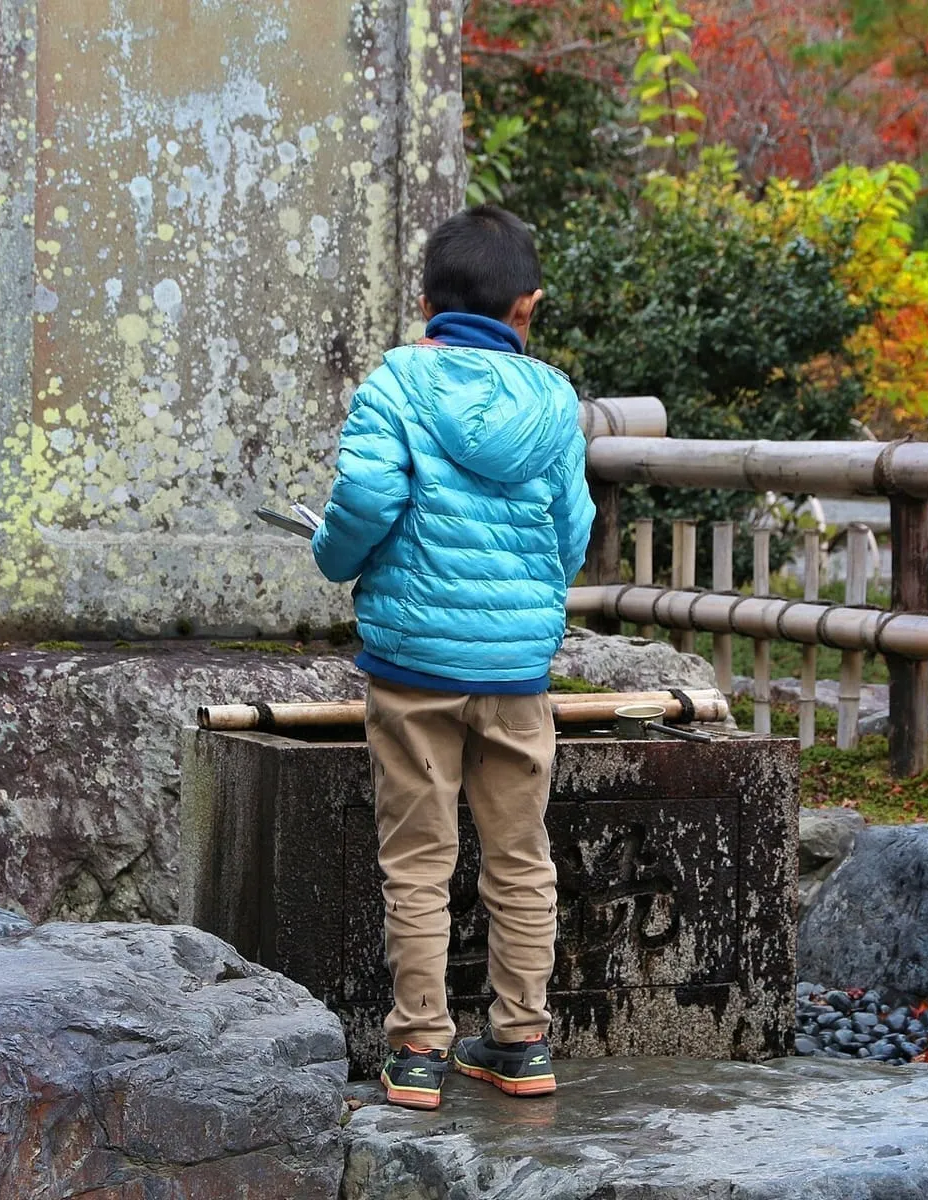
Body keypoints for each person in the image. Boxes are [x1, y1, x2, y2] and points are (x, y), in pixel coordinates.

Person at [310, 205, 595, 1110]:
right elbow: (573, 533)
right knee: (520, 856)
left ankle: (421, 1050)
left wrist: (332, 555)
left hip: (412, 668)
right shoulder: (553, 400)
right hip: (516, 673)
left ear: (425, 300)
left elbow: (362, 499)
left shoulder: (396, 382)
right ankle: (522, 1043)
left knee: (419, 857)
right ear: (527, 306)